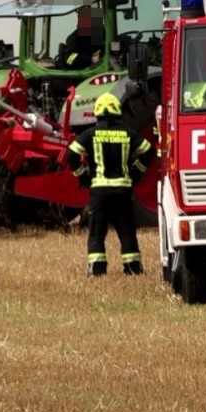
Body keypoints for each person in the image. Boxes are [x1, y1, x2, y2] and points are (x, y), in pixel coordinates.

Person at [65, 92, 154, 276]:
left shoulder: (90, 134)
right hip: (123, 190)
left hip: (100, 191)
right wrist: (137, 171)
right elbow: (147, 150)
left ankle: (96, 270)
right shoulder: (127, 133)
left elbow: (71, 154)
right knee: (127, 231)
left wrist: (82, 175)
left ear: (98, 113)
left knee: (96, 232)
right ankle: (133, 268)